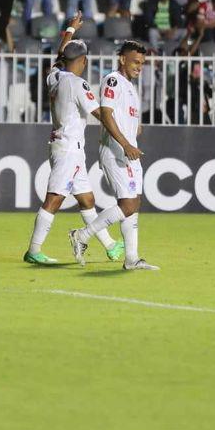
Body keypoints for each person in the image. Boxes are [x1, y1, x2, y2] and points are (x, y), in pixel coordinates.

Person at [25, 17, 125, 265]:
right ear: (83, 61)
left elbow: (60, 56)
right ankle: (34, 250)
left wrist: (70, 30)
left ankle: (110, 245)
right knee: (54, 199)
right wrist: (123, 130)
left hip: (66, 146)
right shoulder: (78, 84)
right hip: (69, 148)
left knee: (86, 199)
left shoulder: (54, 76)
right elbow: (100, 113)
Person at [68, 40, 159, 271]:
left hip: (129, 151)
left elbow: (122, 116)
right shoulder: (113, 80)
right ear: (122, 59)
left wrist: (134, 129)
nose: (139, 67)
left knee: (133, 205)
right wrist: (125, 143)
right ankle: (81, 235)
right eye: (135, 62)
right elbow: (106, 114)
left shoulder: (130, 87)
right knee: (128, 204)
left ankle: (131, 259)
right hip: (115, 151)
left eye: (142, 63)